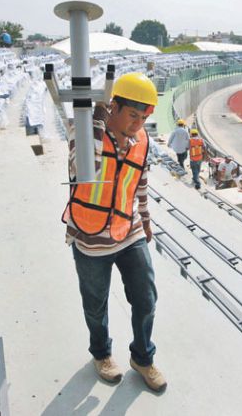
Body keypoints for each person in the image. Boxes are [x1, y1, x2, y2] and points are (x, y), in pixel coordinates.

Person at [62, 72, 167, 392]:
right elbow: (86, 169)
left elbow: (140, 183)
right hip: (90, 237)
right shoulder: (81, 133)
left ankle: (142, 358)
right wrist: (96, 118)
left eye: (144, 117)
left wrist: (146, 220)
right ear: (113, 107)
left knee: (146, 297)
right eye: (133, 115)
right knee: (95, 303)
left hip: (129, 229)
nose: (138, 123)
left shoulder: (143, 141)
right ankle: (102, 355)